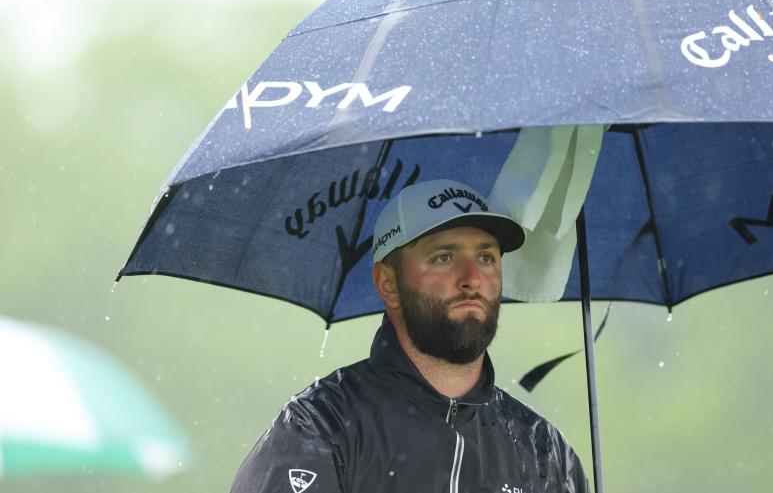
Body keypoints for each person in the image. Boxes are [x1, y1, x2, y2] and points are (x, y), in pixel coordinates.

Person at [230, 179, 590, 493]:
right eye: (444, 257)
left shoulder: (545, 452)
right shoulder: (318, 427)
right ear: (388, 283)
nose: (472, 278)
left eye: (486, 258)